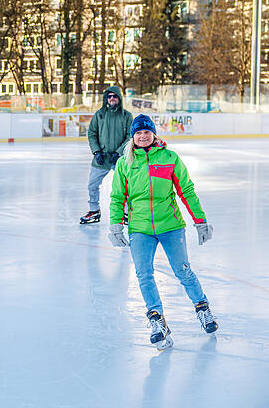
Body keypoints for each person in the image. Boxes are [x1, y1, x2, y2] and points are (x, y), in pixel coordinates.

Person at [109, 114, 217, 350]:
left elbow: (186, 190)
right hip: (140, 228)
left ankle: (203, 308)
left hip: (170, 225)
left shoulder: (170, 158)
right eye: (138, 133)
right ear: (133, 137)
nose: (143, 136)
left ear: (154, 134)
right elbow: (118, 197)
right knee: (143, 274)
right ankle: (157, 320)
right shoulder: (125, 163)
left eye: (147, 132)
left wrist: (200, 221)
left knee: (183, 271)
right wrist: (115, 223)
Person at [80, 86, 132, 224]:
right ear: (106, 99)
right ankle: (94, 211)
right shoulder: (99, 115)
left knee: (125, 186)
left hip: (119, 158)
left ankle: (126, 213)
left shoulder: (126, 116)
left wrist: (119, 152)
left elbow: (130, 136)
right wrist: (96, 152)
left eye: (114, 96)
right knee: (92, 185)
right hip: (101, 158)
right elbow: (92, 134)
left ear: (119, 98)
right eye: (109, 96)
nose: (112, 99)